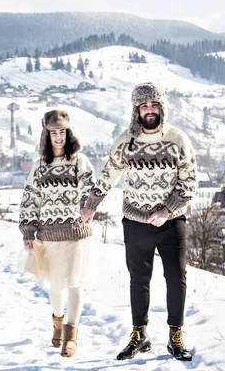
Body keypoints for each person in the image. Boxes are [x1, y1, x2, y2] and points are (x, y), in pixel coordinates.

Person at [81, 82, 197, 362]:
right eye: (144, 106)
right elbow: (108, 174)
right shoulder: (126, 141)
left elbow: (190, 182)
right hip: (135, 221)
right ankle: (139, 334)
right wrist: (90, 206)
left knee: (175, 278)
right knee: (138, 280)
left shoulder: (178, 140)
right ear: (136, 110)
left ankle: (175, 334)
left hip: (172, 222)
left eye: (154, 105)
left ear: (161, 108)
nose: (149, 110)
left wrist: (168, 210)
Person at [19, 109, 95, 358]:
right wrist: (28, 229)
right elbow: (30, 197)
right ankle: (58, 323)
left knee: (75, 283)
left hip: (76, 233)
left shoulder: (79, 161)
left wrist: (88, 205)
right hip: (49, 234)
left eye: (62, 132)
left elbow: (89, 187)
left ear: (68, 133)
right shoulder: (40, 167)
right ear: (47, 135)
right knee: (56, 286)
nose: (59, 137)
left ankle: (70, 337)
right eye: (54, 132)